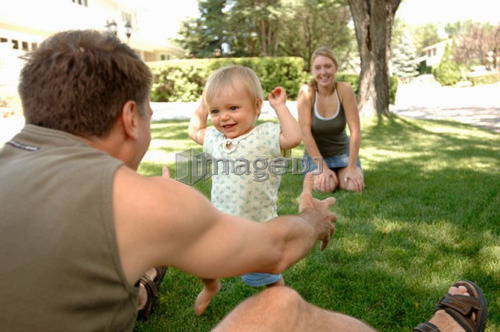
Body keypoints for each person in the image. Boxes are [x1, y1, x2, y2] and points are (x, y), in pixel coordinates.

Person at [0, 30, 488, 332]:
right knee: (277, 307)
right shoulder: (139, 200)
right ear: (131, 117)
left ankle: (142, 288)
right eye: (149, 113)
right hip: (257, 229)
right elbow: (271, 250)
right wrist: (313, 221)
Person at [187, 65, 302, 315]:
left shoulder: (265, 136)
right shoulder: (217, 140)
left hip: (257, 228)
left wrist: (281, 108)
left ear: (257, 106)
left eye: (233, 108)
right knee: (202, 261)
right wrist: (203, 104)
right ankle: (211, 286)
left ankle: (282, 306)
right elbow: (194, 130)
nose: (224, 117)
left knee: (269, 276)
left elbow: (293, 138)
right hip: (220, 224)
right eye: (216, 111)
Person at [297, 46, 365, 193]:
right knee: (326, 186)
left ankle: (341, 173)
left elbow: (355, 131)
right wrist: (322, 169)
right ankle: (328, 174)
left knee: (353, 186)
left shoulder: (344, 90)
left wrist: (352, 168)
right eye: (318, 68)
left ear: (336, 68)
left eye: (328, 66)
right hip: (316, 158)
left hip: (343, 155)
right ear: (312, 70)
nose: (323, 72)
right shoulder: (306, 93)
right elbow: (305, 134)